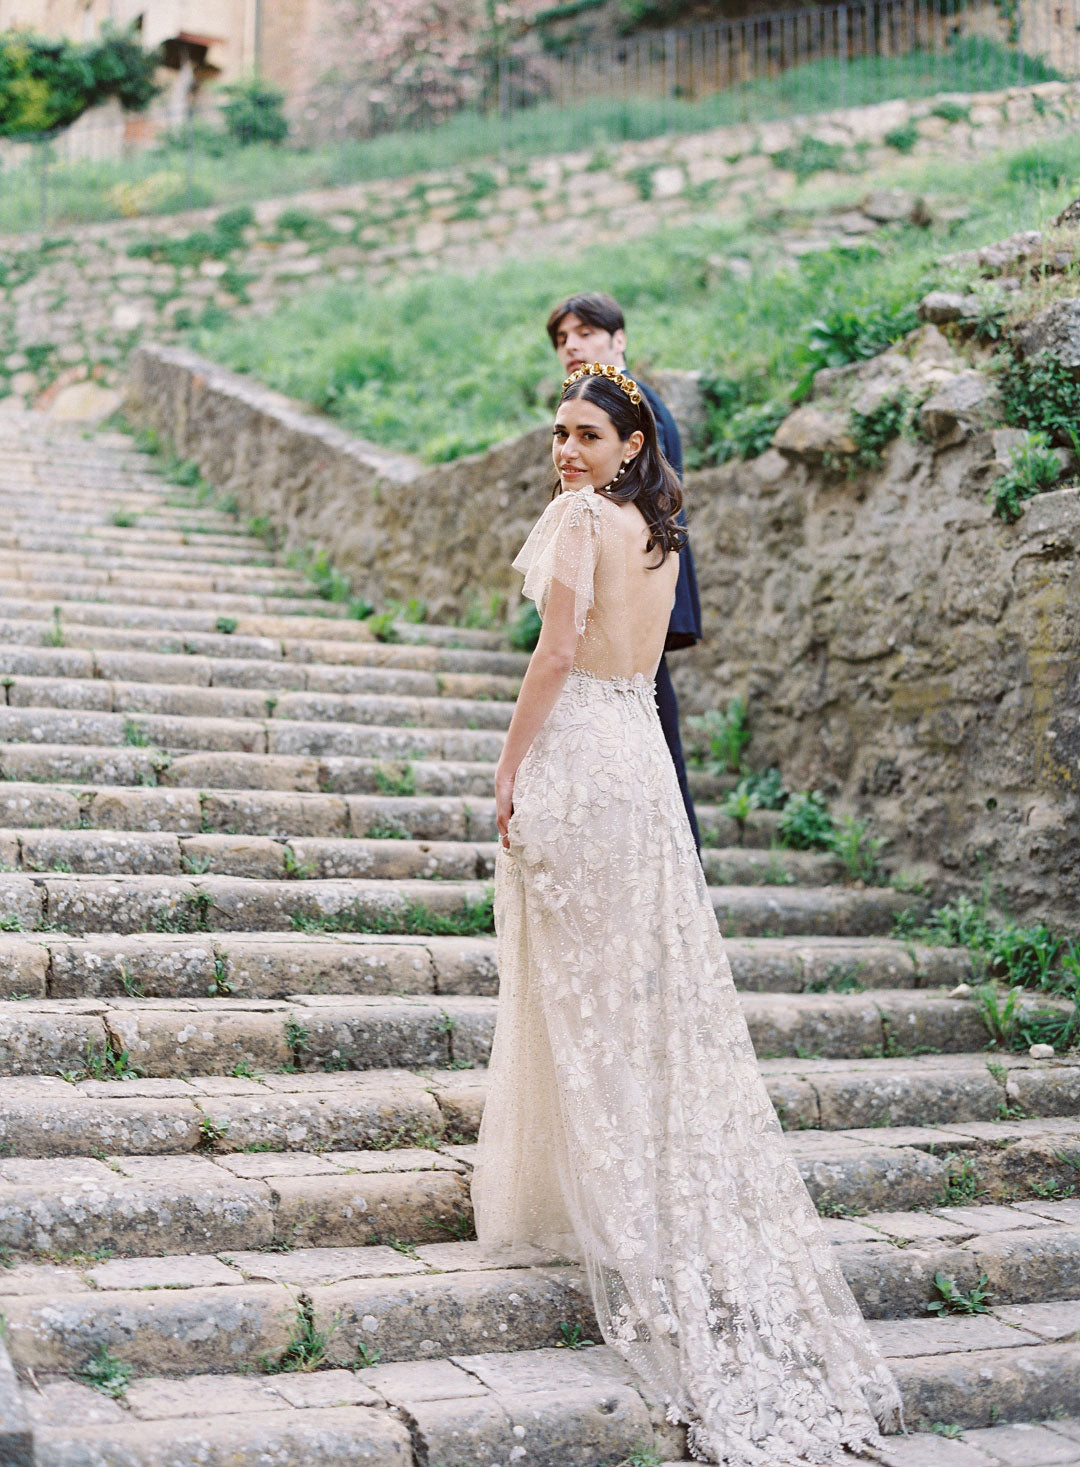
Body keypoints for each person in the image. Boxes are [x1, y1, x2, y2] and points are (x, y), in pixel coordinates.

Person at [471, 362, 902, 1466]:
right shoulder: (661, 536)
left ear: (628, 444)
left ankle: (607, 1204)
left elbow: (557, 654)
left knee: (578, 987)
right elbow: (642, 659)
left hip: (581, 753)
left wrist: (508, 768)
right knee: (622, 986)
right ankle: (617, 1190)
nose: (565, 452)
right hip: (641, 764)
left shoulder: (581, 521)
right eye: (558, 434)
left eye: (585, 434)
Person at [546, 291, 702, 852]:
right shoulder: (606, 407)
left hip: (631, 596)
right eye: (563, 338)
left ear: (620, 341)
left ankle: (676, 864)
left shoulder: (637, 412)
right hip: (629, 593)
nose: (572, 345)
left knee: (651, 739)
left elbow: (650, 508)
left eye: (585, 332)